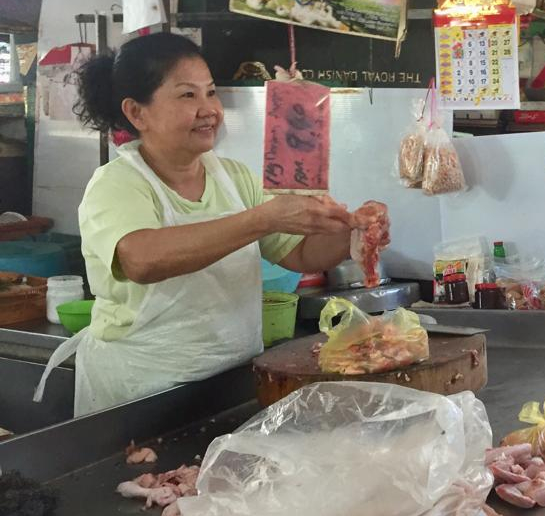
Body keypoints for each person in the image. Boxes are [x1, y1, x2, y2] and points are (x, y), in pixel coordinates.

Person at [35, 32, 382, 415]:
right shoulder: (116, 184)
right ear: (137, 113)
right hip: (140, 394)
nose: (209, 109)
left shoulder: (234, 177)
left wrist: (355, 234)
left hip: (230, 382)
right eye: (188, 95)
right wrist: (262, 218)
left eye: (211, 92)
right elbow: (143, 260)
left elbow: (299, 252)